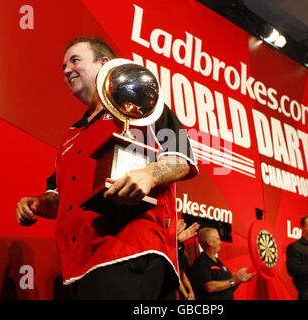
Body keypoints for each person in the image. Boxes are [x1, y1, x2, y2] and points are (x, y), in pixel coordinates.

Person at [16, 36, 198, 299]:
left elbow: (183, 158)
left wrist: (149, 174)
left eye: (75, 60)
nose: (67, 70)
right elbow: (58, 196)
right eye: (63, 66)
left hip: (130, 254)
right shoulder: (71, 134)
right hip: (76, 270)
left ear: (104, 63)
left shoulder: (144, 105)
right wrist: (38, 203)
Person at [189, 227, 255, 300]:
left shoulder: (218, 262)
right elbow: (209, 287)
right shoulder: (201, 262)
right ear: (209, 242)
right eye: (218, 239)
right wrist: (234, 280)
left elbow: (228, 288)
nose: (220, 242)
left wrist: (239, 281)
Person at [176, 219, 199, 300]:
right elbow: (176, 275)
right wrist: (185, 295)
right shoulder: (170, 252)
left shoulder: (181, 251)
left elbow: (183, 274)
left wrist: (191, 291)